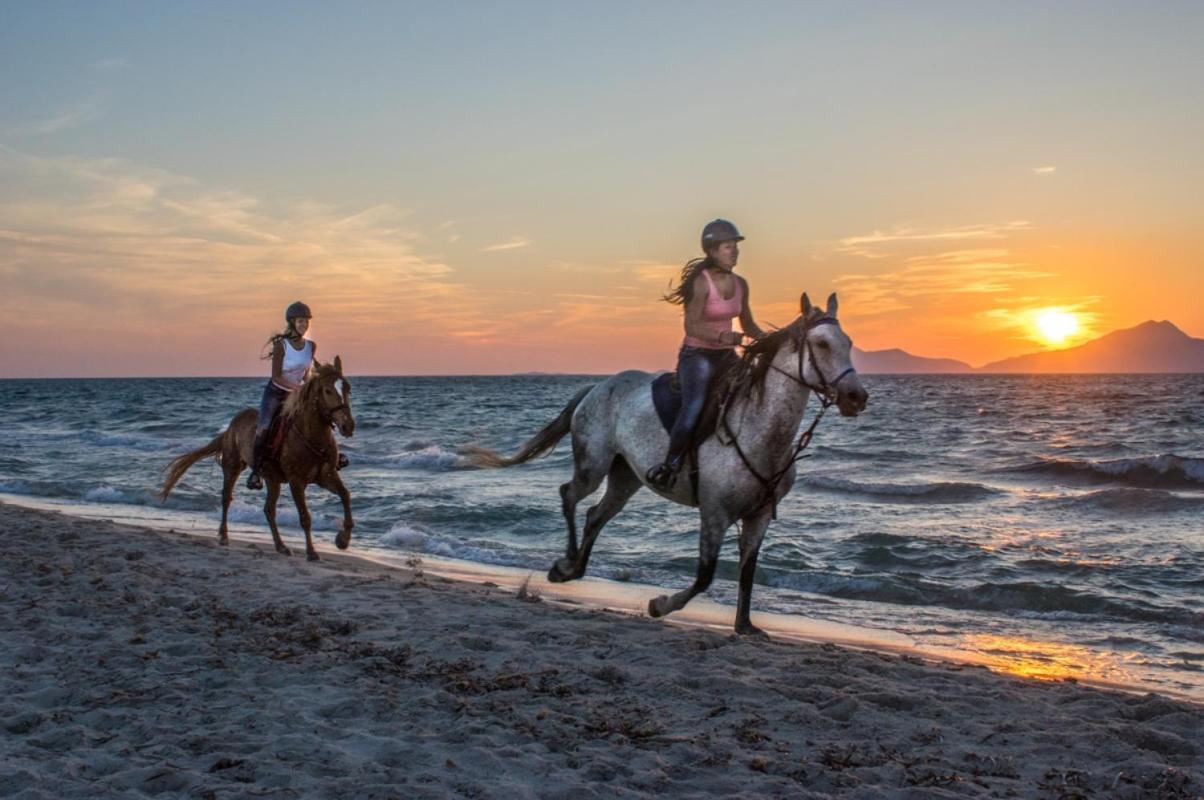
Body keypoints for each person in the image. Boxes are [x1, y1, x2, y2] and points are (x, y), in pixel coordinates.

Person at [646, 219, 765, 490]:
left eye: (735, 246)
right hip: (696, 354)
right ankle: (671, 464)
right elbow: (692, 325)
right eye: (728, 247)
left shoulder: (741, 284)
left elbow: (749, 325)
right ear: (712, 250)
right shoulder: (702, 283)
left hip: (726, 356)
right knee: (694, 406)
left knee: (753, 394)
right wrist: (723, 336)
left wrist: (775, 339)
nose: (734, 252)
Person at [246, 301, 317, 490]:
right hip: (276, 392)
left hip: (298, 393)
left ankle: (330, 457)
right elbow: (276, 376)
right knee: (264, 426)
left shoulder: (311, 346)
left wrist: (310, 387)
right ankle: (256, 471)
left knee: (320, 417)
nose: (304, 325)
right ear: (292, 322)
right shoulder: (281, 345)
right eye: (301, 321)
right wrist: (295, 387)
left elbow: (307, 373)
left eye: (306, 322)